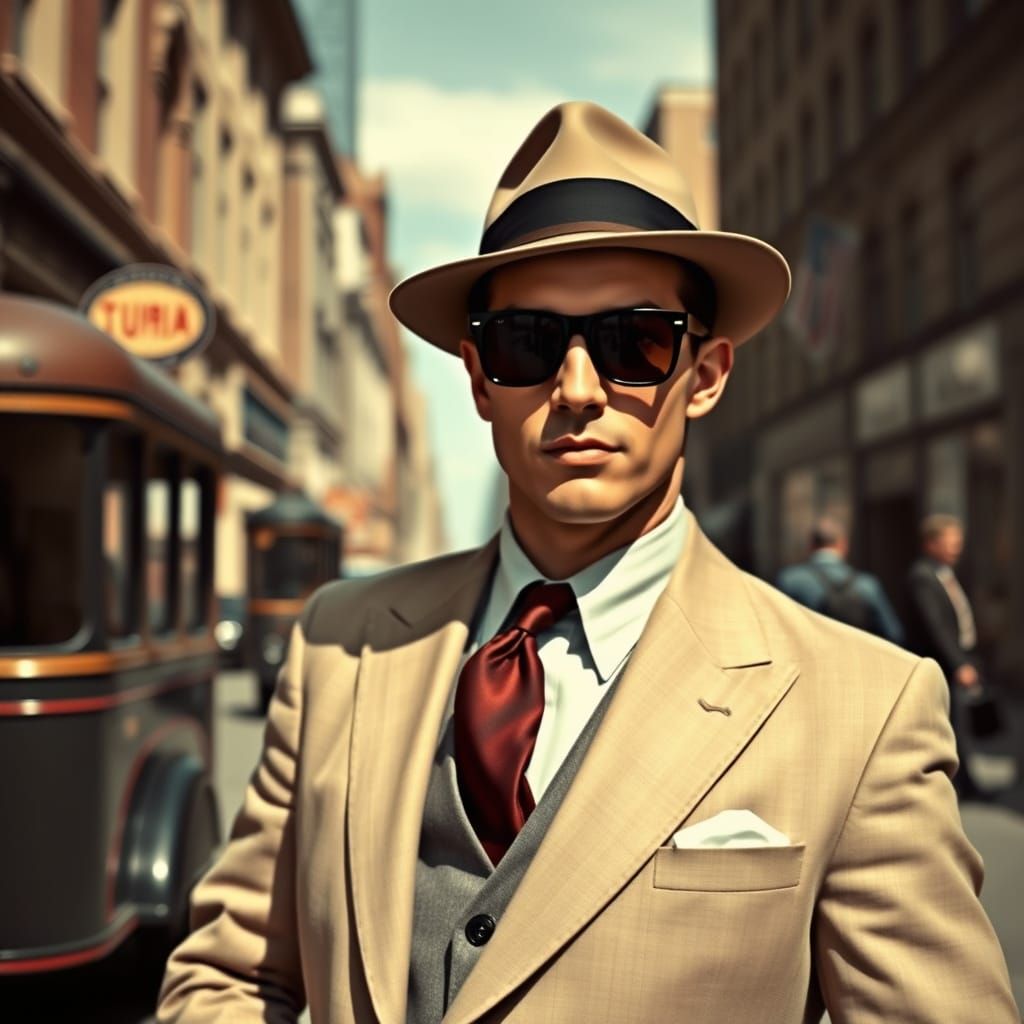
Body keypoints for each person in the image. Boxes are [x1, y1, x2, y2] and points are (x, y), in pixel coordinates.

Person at [157, 103, 1017, 1023]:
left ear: (709, 373)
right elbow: (231, 976)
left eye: (634, 343)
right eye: (528, 342)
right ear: (481, 378)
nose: (575, 390)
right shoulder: (341, 645)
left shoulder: (864, 707)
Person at [905, 513, 985, 798]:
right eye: (950, 542)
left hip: (959, 659)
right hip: (941, 664)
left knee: (955, 724)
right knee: (948, 726)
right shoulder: (923, 576)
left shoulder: (946, 574)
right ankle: (961, 785)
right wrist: (958, 663)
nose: (956, 547)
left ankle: (964, 784)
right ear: (931, 543)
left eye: (958, 542)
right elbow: (936, 625)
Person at [775, 516, 904, 643]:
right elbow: (894, 634)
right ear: (843, 544)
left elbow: (777, 631)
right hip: (856, 659)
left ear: (811, 544)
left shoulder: (789, 580)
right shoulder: (867, 584)